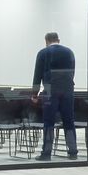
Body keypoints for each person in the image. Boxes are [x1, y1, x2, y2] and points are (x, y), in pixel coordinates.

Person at [32, 31, 78, 161]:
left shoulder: (43, 53)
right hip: (68, 90)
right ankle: (73, 151)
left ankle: (46, 153)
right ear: (58, 39)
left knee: (49, 121)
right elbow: (72, 72)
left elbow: (37, 75)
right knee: (69, 120)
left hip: (49, 90)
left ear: (46, 41)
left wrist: (34, 94)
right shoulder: (69, 52)